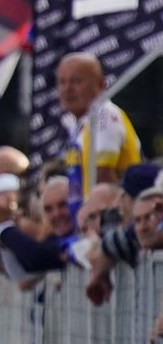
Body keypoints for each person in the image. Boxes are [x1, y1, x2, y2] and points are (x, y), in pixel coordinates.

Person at [55, 52, 142, 221]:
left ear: (101, 84)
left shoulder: (103, 114)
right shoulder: (81, 123)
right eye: (62, 82)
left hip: (104, 221)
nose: (67, 89)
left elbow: (104, 177)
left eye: (76, 81)